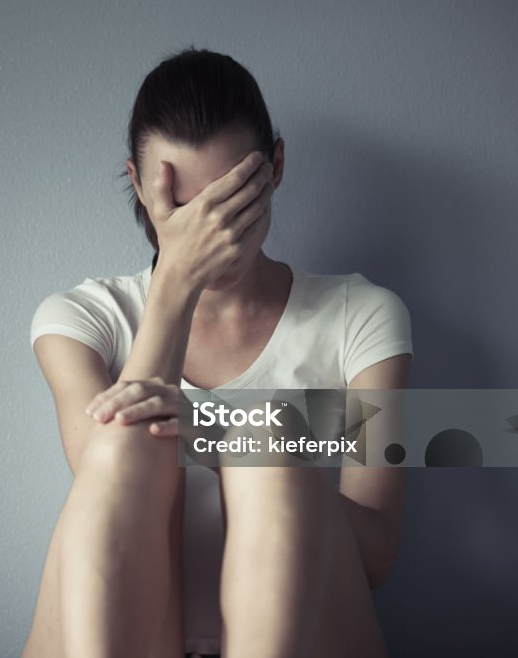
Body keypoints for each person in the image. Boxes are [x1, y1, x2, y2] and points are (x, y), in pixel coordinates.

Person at [23, 47, 413, 658]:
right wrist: (176, 280)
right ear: (140, 185)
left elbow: (376, 557)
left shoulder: (359, 318)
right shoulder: (80, 319)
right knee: (124, 438)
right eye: (185, 209)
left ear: (275, 167)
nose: (213, 234)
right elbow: (104, 478)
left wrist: (227, 439)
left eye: (233, 203)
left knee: (270, 449)